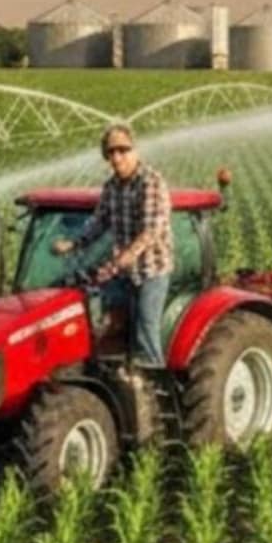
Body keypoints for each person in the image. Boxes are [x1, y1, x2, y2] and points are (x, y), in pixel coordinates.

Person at [53, 122, 174, 367]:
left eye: (122, 150)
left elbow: (152, 229)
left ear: (134, 150)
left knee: (145, 328)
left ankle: (154, 379)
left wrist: (129, 254)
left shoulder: (150, 182)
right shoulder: (111, 187)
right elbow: (99, 222)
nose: (117, 157)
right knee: (99, 316)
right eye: (111, 152)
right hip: (124, 272)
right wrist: (74, 243)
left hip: (151, 270)